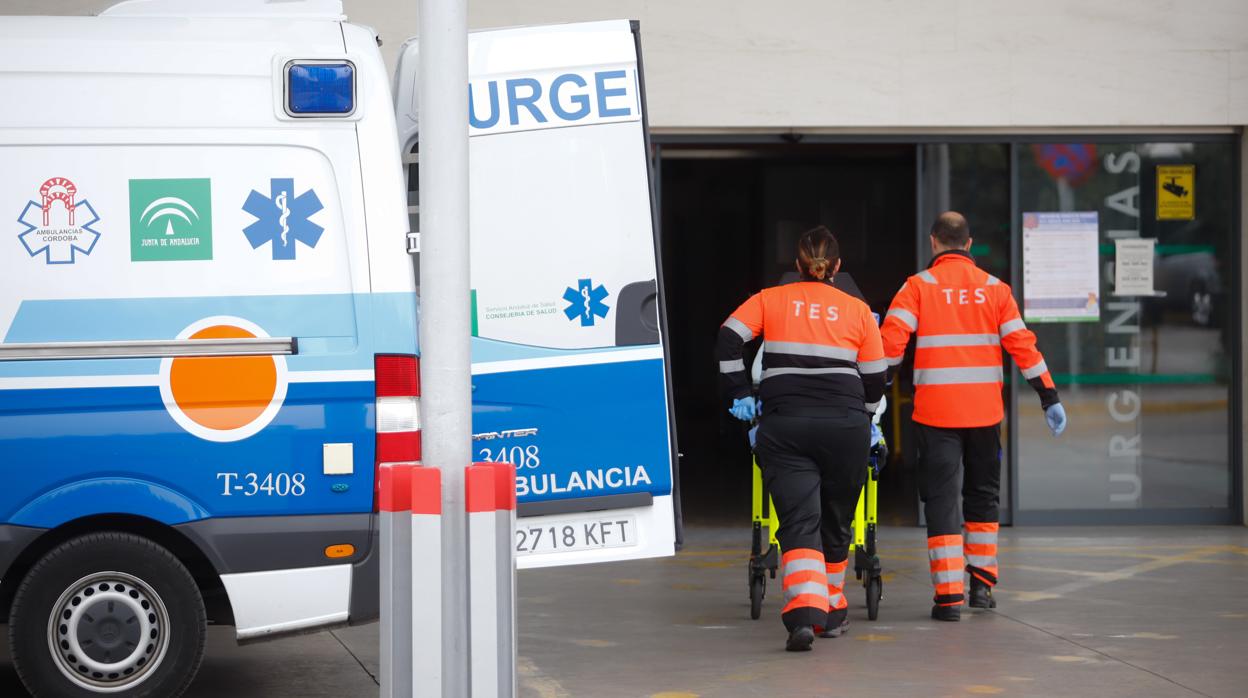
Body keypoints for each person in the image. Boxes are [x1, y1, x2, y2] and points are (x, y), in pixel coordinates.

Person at [880, 211, 1068, 622]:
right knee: (983, 496)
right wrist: (1048, 395)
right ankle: (981, 587)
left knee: (943, 500)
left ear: (934, 242)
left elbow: (891, 347)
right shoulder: (995, 289)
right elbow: (1023, 347)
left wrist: (870, 395)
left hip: (936, 416)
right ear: (969, 243)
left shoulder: (917, 287)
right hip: (985, 416)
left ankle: (948, 598)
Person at [717, 226, 886, 651]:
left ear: (796, 266)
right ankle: (832, 609)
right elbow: (875, 379)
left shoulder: (770, 299)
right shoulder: (858, 310)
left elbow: (728, 337)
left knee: (797, 521)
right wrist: (866, 420)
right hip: (845, 427)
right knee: (837, 520)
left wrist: (739, 392)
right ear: (837, 267)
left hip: (786, 425)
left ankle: (805, 618)